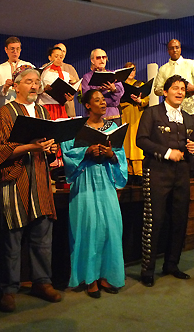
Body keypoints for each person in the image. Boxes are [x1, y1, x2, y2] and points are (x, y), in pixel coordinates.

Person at [0, 66, 62, 312]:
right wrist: (31, 146)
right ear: (17, 85)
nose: (34, 85)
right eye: (29, 81)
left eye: (37, 82)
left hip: (40, 178)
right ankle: (8, 289)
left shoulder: (43, 112)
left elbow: (49, 147)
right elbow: (1, 150)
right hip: (15, 180)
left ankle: (42, 282)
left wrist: (50, 148)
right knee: (12, 238)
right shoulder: (5, 113)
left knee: (43, 237)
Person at [60, 89, 127, 298]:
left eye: (103, 100)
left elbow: (120, 156)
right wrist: (86, 151)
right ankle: (90, 278)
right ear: (87, 105)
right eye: (96, 100)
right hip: (85, 180)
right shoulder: (77, 127)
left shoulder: (113, 127)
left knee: (110, 228)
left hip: (106, 180)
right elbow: (67, 152)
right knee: (88, 229)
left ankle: (106, 275)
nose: (102, 103)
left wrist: (111, 154)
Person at [136, 75, 194, 286]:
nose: (180, 92)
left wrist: (193, 149)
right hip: (157, 170)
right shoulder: (152, 113)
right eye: (175, 89)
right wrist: (166, 152)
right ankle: (148, 270)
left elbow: (193, 144)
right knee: (155, 220)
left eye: (182, 89)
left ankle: (172, 264)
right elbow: (141, 140)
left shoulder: (189, 118)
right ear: (165, 92)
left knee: (180, 219)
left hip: (181, 173)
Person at [154, 39, 194, 179]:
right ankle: (174, 167)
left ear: (180, 48)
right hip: (170, 110)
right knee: (171, 137)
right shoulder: (163, 68)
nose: (175, 50)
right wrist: (169, 90)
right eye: (171, 48)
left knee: (192, 138)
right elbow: (156, 89)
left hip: (190, 108)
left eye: (177, 47)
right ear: (168, 50)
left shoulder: (190, 63)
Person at [120, 62, 149, 185]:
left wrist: (139, 100)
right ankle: (128, 172)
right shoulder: (120, 85)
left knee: (136, 143)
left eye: (133, 70)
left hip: (137, 116)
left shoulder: (139, 84)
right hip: (124, 115)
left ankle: (138, 173)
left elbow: (146, 100)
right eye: (129, 70)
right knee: (125, 142)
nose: (131, 72)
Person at [81, 48, 124, 125]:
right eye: (98, 58)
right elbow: (86, 97)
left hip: (113, 114)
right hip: (96, 116)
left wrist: (113, 89)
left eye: (104, 57)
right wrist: (99, 90)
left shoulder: (113, 74)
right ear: (92, 60)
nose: (102, 60)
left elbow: (121, 92)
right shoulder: (87, 77)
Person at [0, 37, 34, 108]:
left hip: (26, 104)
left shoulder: (28, 66)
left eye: (18, 49)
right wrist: (5, 86)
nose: (15, 51)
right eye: (12, 49)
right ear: (6, 50)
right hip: (6, 104)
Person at [38, 46, 75, 120]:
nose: (59, 59)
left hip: (60, 107)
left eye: (61, 57)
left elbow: (74, 82)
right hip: (46, 105)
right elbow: (36, 89)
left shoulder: (65, 74)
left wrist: (70, 96)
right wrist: (44, 89)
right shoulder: (42, 72)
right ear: (50, 57)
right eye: (56, 56)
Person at [53, 43, 80, 117]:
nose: (61, 53)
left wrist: (73, 81)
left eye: (63, 51)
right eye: (59, 50)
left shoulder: (70, 68)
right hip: (52, 109)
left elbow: (79, 88)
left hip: (68, 108)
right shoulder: (46, 68)